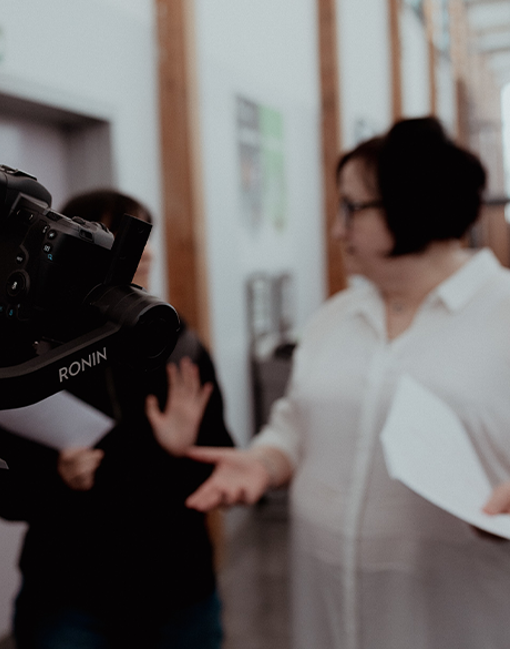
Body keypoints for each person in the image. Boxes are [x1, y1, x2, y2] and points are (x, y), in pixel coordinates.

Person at [185, 117, 510, 649]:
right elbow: (296, 423)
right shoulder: (335, 317)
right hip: (328, 614)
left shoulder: (503, 313)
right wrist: (265, 462)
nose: (338, 230)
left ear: (412, 203)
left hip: (460, 618)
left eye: (351, 208)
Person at [0, 189, 234, 649]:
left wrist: (182, 452)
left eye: (147, 234)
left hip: (179, 594)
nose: (149, 251)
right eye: (125, 236)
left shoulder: (179, 349)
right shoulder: (31, 360)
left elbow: (226, 467)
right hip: (69, 599)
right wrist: (57, 478)